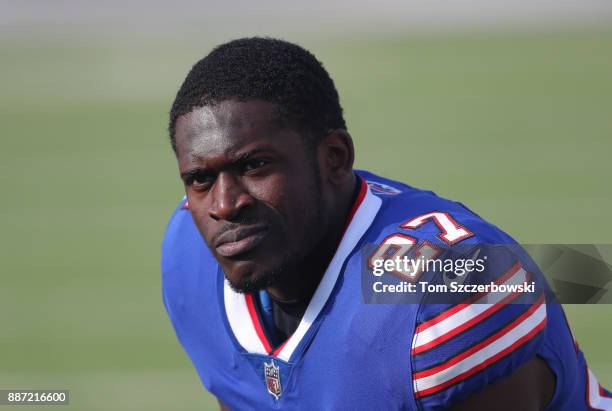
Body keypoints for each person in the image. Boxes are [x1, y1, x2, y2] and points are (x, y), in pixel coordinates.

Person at [161, 37, 610, 410]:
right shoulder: (191, 256)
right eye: (199, 179)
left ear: (334, 158)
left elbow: (510, 279)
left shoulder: (437, 296)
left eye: (256, 165)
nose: (224, 204)